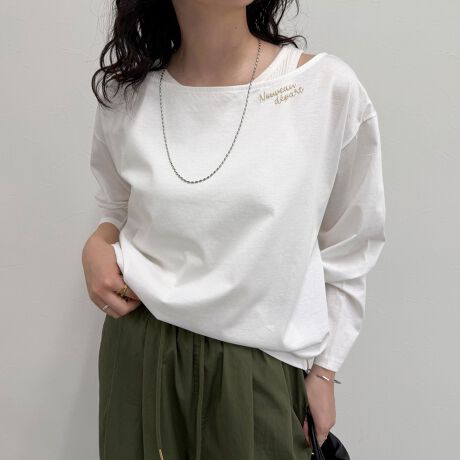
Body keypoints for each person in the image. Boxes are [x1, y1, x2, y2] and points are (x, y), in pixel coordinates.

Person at [81, 1, 386, 459]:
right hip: (140, 353)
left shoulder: (324, 88)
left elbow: (351, 244)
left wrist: (325, 370)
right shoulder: (128, 95)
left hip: (257, 369)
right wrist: (97, 244)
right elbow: (115, 206)